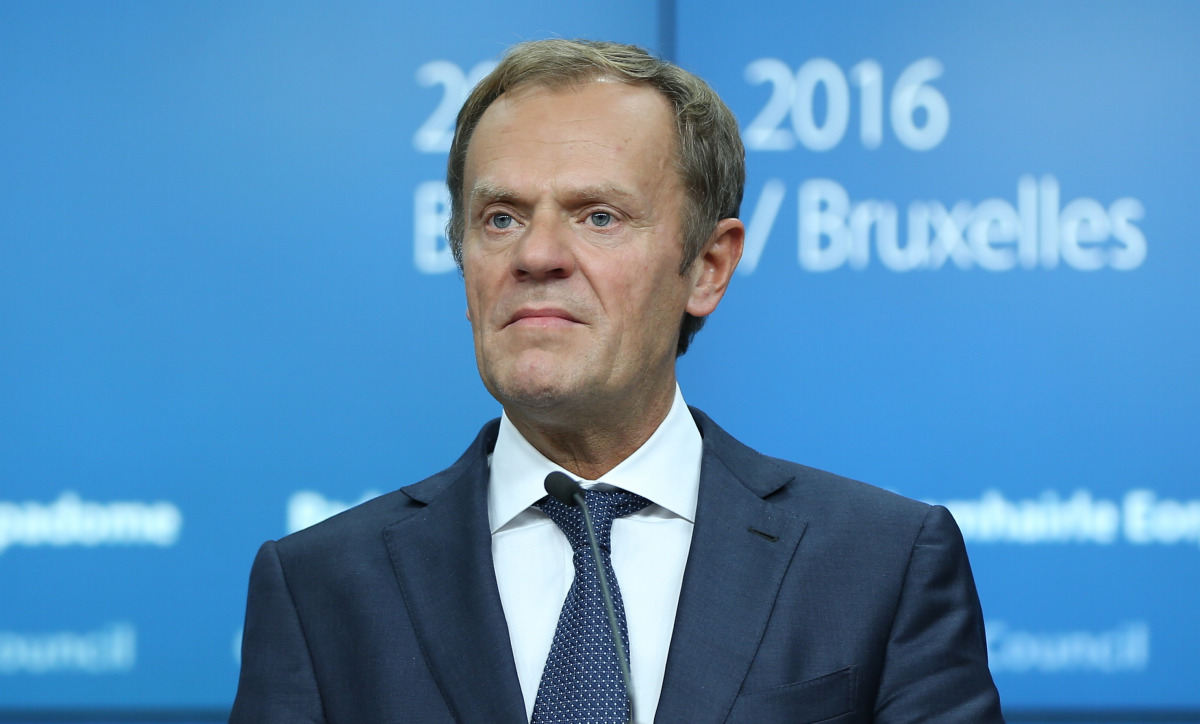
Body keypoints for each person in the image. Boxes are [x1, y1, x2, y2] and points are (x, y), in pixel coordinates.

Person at [230, 39, 1004, 723]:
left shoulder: (879, 565)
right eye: (500, 217)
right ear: (463, 262)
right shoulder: (320, 589)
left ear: (708, 267)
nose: (536, 255)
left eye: (597, 216)